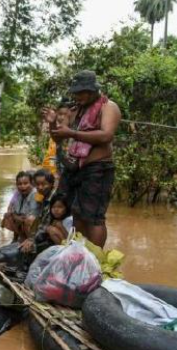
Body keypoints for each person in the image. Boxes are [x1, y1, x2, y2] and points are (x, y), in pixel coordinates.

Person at [44, 71, 120, 247]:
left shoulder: (109, 107)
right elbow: (58, 138)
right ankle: (80, 252)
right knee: (77, 212)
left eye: (81, 92)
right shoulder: (75, 110)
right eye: (75, 92)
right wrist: (52, 123)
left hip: (98, 169)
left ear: (93, 90)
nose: (77, 96)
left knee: (94, 217)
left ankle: (97, 259)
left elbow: (106, 136)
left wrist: (71, 133)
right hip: (75, 168)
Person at [20, 168, 56, 254]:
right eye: (38, 184)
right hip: (47, 228)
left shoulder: (54, 199)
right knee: (31, 221)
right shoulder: (46, 196)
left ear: (51, 184)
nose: (40, 187)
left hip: (57, 231)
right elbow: (41, 219)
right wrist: (30, 238)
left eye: (43, 184)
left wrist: (32, 240)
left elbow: (45, 223)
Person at [1, 171, 38, 242]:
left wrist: (17, 216)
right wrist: (13, 215)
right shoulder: (17, 193)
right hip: (20, 217)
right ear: (16, 184)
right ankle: (19, 238)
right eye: (19, 184)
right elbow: (11, 206)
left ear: (31, 183)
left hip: (32, 222)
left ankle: (31, 241)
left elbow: (32, 214)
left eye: (25, 183)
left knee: (28, 220)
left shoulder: (34, 194)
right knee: (7, 216)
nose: (22, 186)